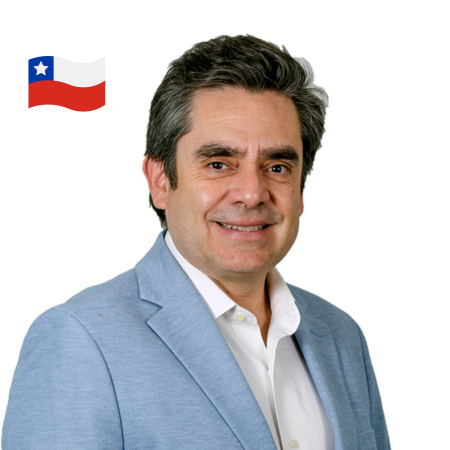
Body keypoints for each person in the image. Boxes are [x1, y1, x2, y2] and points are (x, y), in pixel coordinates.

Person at [2, 35, 390, 450]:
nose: (251, 193)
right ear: (160, 181)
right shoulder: (80, 341)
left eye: (277, 166)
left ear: (300, 189)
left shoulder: (342, 337)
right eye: (219, 163)